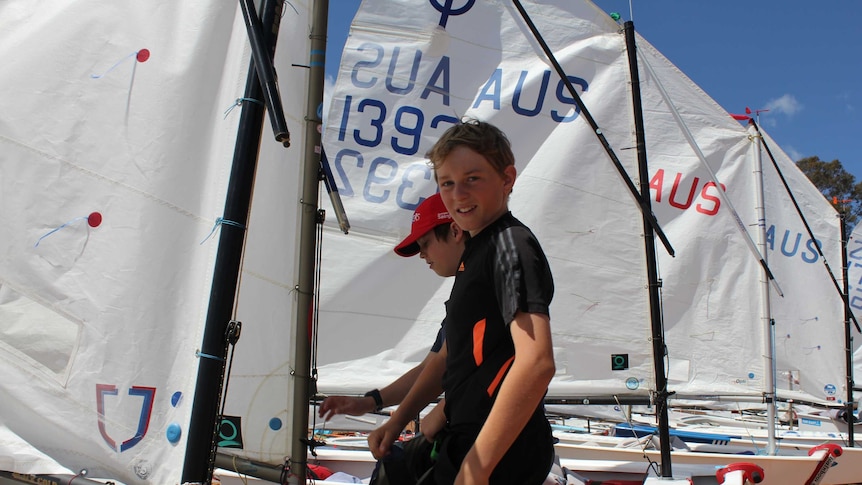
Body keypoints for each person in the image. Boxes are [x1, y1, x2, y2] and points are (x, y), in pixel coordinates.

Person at [369, 119, 556, 485]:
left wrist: (477, 467)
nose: (458, 194)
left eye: (473, 178)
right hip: (464, 437)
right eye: (447, 183)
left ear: (507, 178)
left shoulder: (510, 245)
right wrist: (397, 420)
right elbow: (447, 358)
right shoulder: (476, 251)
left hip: (500, 450)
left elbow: (536, 363)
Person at [317, 193, 467, 482]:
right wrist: (368, 402)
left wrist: (399, 422)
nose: (423, 255)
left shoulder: (479, 283)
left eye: (425, 244)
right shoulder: (463, 289)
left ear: (455, 231)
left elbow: (446, 366)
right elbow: (430, 366)